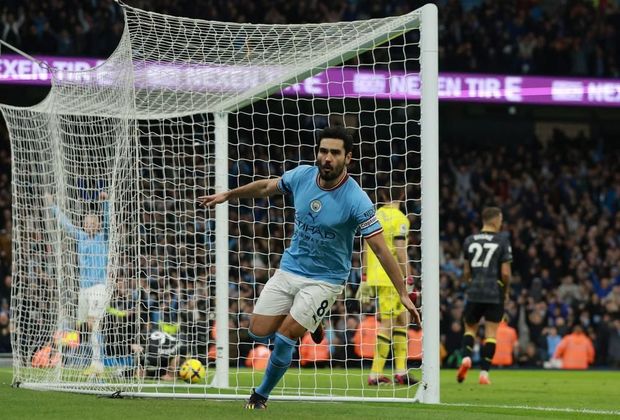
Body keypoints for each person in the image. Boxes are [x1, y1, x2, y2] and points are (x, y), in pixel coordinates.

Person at [199, 126, 420, 409]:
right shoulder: (302, 176)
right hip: (290, 268)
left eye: (335, 153)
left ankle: (260, 395)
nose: (327, 157)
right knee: (257, 330)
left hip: (325, 280)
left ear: (348, 158)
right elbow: (266, 187)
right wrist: (229, 195)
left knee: (285, 336)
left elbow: (380, 248)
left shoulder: (357, 199)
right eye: (323, 151)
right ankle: (315, 321)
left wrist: (402, 291)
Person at [356, 185, 418, 385]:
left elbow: (366, 247)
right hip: (392, 276)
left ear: (382, 195)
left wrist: (365, 276)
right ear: (403, 195)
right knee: (388, 323)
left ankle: (401, 371)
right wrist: (408, 276)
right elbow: (400, 250)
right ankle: (375, 374)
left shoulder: (373, 216)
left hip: (376, 276)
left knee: (402, 320)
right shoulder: (400, 218)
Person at [46, 191, 110, 375]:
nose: (90, 226)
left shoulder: (103, 238)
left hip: (99, 287)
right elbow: (65, 223)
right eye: (87, 223)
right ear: (83, 225)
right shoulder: (80, 237)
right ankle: (77, 358)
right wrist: (52, 205)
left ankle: (97, 363)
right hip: (83, 289)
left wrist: (105, 203)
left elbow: (108, 222)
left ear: (98, 225)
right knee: (81, 327)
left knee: (93, 323)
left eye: (93, 223)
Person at [456, 207, 512, 385]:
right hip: (494, 292)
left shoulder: (469, 240)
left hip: (475, 291)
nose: (501, 223)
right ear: (495, 220)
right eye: (500, 219)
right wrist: (506, 291)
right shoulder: (502, 241)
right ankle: (484, 374)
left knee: (470, 329)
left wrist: (470, 284)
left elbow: (466, 271)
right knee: (491, 334)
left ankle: (466, 358)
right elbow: (505, 273)